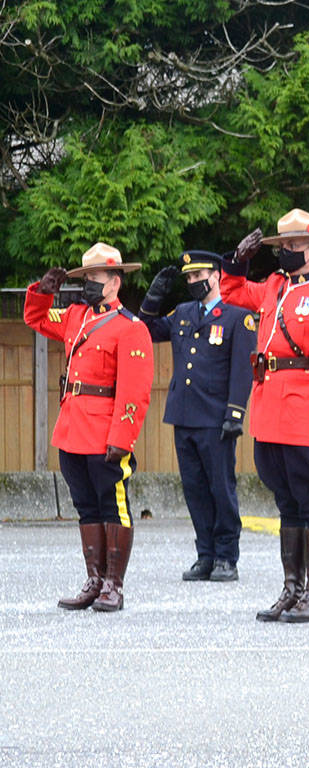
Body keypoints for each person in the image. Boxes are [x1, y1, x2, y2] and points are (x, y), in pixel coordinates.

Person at [223, 209, 309, 623]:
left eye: (296, 245)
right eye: (283, 246)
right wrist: (236, 262)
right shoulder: (274, 287)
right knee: (285, 501)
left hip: (305, 409)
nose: (288, 252)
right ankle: (291, 589)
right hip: (270, 407)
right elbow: (230, 293)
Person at [24, 243, 153, 612]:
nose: (88, 285)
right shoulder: (77, 316)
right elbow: (36, 320)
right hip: (73, 427)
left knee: (114, 507)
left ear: (114, 283)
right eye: (85, 279)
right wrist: (43, 292)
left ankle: (114, 584)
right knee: (85, 506)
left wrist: (122, 437)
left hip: (106, 430)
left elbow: (135, 391)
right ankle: (94, 580)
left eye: (94, 279)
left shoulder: (131, 328)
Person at [140, 250, 256, 582]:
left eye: (198, 276)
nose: (193, 282)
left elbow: (241, 371)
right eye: (189, 277)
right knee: (194, 489)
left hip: (216, 418)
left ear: (216, 275)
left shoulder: (237, 318)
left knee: (221, 488)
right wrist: (153, 297)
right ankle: (205, 554)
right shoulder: (184, 313)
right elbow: (146, 330)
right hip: (184, 415)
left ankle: (226, 557)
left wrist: (235, 412)